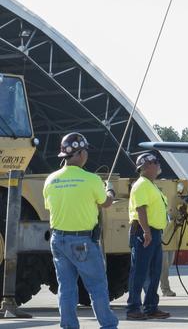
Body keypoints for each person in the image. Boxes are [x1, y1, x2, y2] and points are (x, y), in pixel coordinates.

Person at [42, 132, 119, 329]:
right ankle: (108, 325)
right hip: (83, 242)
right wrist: (109, 189)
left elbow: (50, 208)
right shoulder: (91, 179)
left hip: (58, 240)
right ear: (79, 153)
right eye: (85, 151)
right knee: (97, 287)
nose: (87, 155)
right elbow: (106, 203)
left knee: (66, 288)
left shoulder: (50, 180)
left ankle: (68, 326)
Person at [125, 152, 171, 320]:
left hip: (153, 233)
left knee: (154, 272)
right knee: (140, 272)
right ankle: (133, 308)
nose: (158, 165)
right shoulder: (142, 185)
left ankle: (150, 307)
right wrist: (146, 232)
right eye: (156, 162)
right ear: (147, 165)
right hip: (145, 232)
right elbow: (141, 209)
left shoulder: (150, 185)